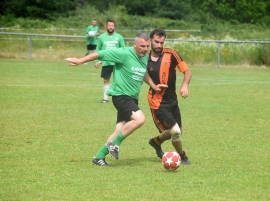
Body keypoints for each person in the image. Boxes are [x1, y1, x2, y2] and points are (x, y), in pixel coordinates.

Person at [65, 33, 167, 166]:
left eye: (147, 46)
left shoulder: (144, 58)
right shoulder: (123, 53)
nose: (145, 49)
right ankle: (115, 143)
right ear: (134, 44)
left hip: (132, 98)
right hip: (121, 96)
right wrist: (80, 60)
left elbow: (144, 73)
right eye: (142, 46)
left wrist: (154, 86)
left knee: (120, 130)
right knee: (140, 119)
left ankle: (99, 157)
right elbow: (100, 54)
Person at [146, 28, 192, 165]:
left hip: (172, 100)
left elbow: (187, 72)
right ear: (150, 41)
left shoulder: (171, 54)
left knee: (178, 131)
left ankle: (156, 141)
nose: (159, 45)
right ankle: (182, 156)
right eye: (156, 42)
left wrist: (184, 85)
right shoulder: (144, 59)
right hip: (157, 102)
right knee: (175, 131)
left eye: (161, 42)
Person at [94, 19, 126, 103]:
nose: (110, 27)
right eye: (109, 25)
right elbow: (98, 50)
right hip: (106, 62)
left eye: (112, 26)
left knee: (118, 81)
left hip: (117, 63)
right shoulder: (101, 37)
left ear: (114, 27)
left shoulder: (119, 37)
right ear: (106, 26)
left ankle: (120, 99)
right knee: (106, 80)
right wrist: (96, 61)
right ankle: (105, 99)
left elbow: (124, 50)